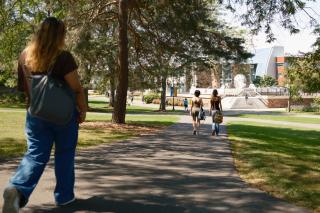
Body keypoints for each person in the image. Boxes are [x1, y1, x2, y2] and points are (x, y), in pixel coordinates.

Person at [2, 17, 87, 213]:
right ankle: (64, 197)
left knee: (35, 155)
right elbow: (76, 89)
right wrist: (82, 110)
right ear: (60, 35)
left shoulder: (25, 56)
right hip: (64, 117)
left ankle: (17, 188)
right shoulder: (63, 57)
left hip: (36, 115)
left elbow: (24, 88)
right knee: (64, 155)